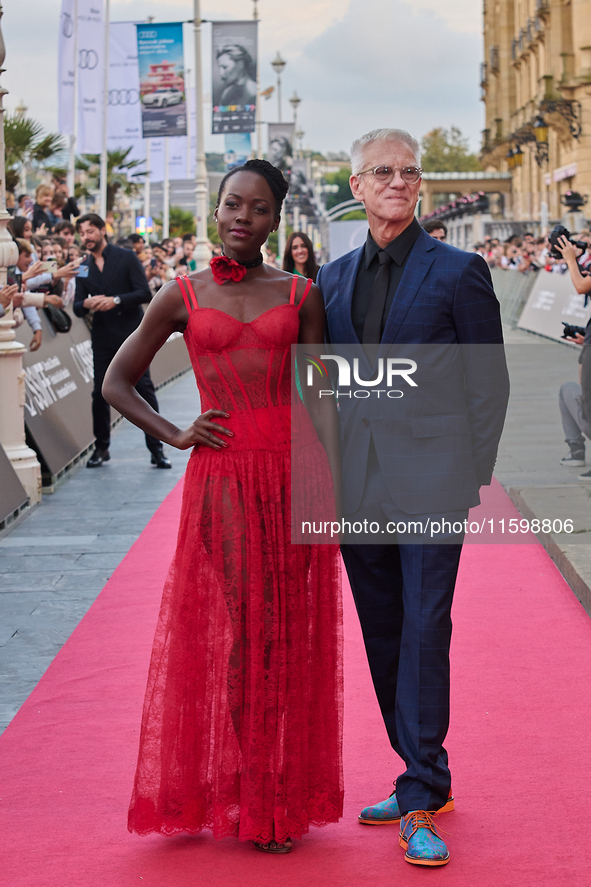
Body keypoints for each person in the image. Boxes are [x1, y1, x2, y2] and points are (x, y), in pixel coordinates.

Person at [102, 158, 343, 853]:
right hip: (224, 484)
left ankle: (272, 781)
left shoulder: (302, 293)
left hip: (294, 476)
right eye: (232, 204)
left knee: (284, 634)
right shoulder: (180, 293)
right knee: (250, 628)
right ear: (215, 210)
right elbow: (118, 381)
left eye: (258, 208)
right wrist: (176, 432)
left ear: (276, 218)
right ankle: (249, 782)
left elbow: (320, 399)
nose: (242, 217)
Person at [316, 128, 509, 867]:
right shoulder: (331, 281)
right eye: (382, 171)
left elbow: (486, 385)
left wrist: (465, 476)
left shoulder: (460, 270)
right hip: (356, 488)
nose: (398, 181)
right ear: (357, 187)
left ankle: (420, 791)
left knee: (426, 625)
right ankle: (418, 766)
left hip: (432, 484)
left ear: (418, 186)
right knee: (384, 630)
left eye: (408, 171)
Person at [73, 213, 171, 470]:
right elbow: (76, 307)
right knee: (99, 393)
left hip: (132, 335)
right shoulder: (83, 266)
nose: (87, 237)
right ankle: (101, 448)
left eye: (90, 231)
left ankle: (157, 449)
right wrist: (87, 302)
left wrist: (115, 300)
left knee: (144, 388)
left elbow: (143, 292)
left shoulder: (126, 257)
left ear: (101, 231)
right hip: (102, 336)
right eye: (82, 233)